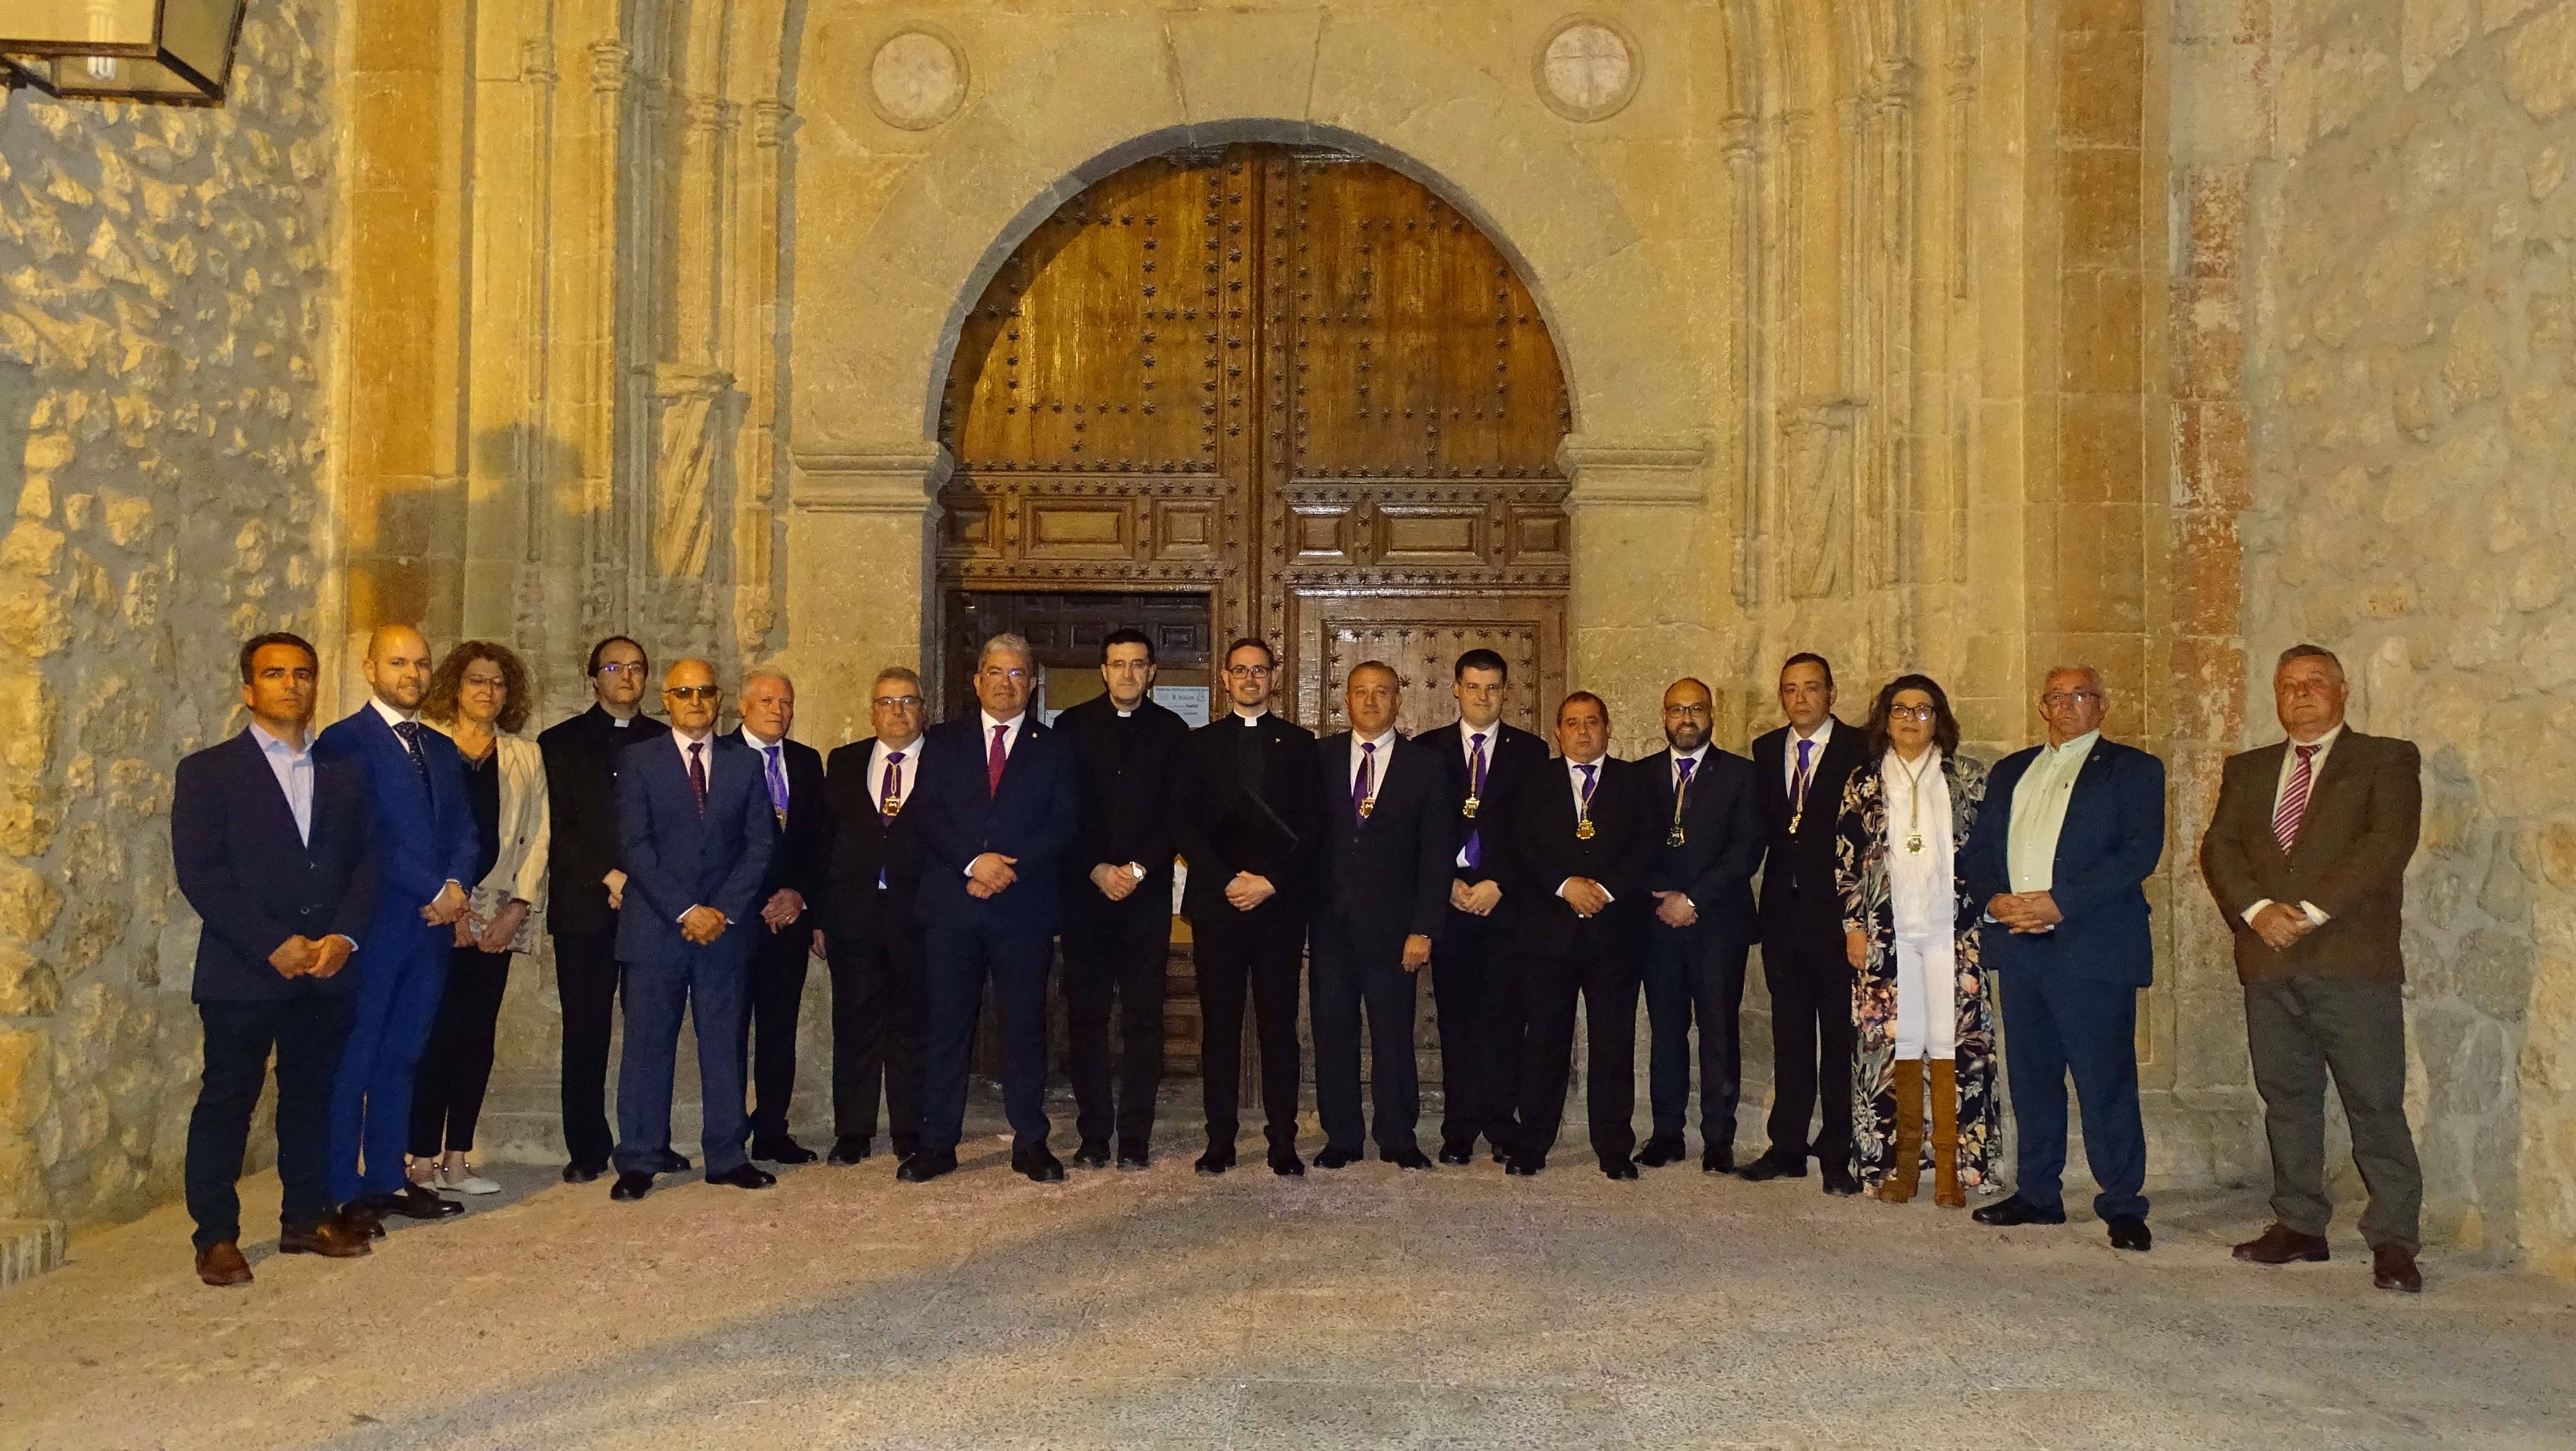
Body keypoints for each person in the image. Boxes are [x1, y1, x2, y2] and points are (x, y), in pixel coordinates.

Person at [2200, 644, 2425, 1292]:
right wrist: (2257, 909)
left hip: (2352, 961)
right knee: (2288, 1100)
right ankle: (2299, 1225)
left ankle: (2394, 1240)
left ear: (2343, 690)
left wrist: (2309, 910)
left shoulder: (2385, 759)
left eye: (2316, 683)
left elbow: (2387, 844)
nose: (2302, 694)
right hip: (2269, 960)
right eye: (2290, 685)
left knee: (2374, 1103)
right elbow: (2220, 848)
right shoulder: (2249, 769)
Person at [173, 633, 378, 1285]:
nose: (292, 684)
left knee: (311, 1098)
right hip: (243, 970)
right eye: (275, 674)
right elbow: (202, 876)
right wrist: (272, 943)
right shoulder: (208, 772)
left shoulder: (346, 772)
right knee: (228, 1101)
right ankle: (215, 1237)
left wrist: (343, 938)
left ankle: (305, 1218)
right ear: (248, 689)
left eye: (303, 674)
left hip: (325, 969)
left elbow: (369, 864)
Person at [1964, 666, 2164, 1251]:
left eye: (2081, 695)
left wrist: (2058, 903)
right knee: (2032, 1079)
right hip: (2020, 948)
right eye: (2057, 696)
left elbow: (2138, 853)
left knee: (2105, 1080)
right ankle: (2038, 1193)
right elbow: (1979, 852)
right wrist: (1996, 899)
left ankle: (2123, 1202)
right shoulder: (2011, 770)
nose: (2068, 705)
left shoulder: (2134, 769)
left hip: (2091, 947)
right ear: (2043, 707)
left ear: (2102, 706)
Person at [902, 633, 1080, 1184]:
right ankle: (938, 1143)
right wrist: (973, 864)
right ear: (977, 680)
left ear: (1033, 683)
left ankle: (1030, 1141)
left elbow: (1065, 824)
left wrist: (1006, 870)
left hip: (1022, 910)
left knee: (1025, 1028)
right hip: (953, 909)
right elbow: (926, 814)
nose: (1007, 684)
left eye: (1019, 674)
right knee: (947, 1027)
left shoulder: (1054, 748)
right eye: (996, 673)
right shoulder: (942, 741)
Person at [315, 625, 476, 1229]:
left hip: (430, 931)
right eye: (399, 662)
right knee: (354, 1059)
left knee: (404, 1056)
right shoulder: (343, 741)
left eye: (422, 663)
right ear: (370, 668)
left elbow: (465, 826)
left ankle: (387, 1177)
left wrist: (456, 887)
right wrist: (435, 889)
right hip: (375, 923)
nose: (412, 674)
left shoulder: (437, 745)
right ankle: (342, 1186)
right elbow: (365, 833)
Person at [606, 659, 779, 1201]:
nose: (696, 700)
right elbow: (636, 847)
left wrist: (721, 912)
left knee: (725, 1045)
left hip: (724, 932)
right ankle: (639, 1157)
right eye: (685, 692)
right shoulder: (638, 761)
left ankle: (728, 1155)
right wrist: (686, 910)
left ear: (720, 698)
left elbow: (760, 846)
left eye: (705, 691)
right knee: (646, 1048)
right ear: (667, 700)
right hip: (656, 929)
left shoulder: (745, 764)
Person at [1834, 674, 1999, 1209]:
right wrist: (1854, 926)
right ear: (1885, 718)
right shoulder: (1863, 781)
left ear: (1940, 719)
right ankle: (1899, 1167)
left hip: (1953, 933)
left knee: (1952, 1043)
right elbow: (1846, 862)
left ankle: (1953, 1170)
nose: (1910, 719)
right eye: (1900, 709)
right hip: (1889, 933)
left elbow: (1988, 855)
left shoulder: (1968, 778)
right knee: (1898, 1045)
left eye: (1923, 709)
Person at [1173, 638, 1321, 1176]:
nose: (1251, 679)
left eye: (1260, 670)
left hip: (1278, 908)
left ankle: (1283, 1139)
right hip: (1219, 906)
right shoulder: (1199, 744)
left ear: (1274, 678)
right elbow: (1184, 825)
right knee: (1221, 1027)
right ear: (1225, 678)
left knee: (1279, 1027)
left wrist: (1271, 882)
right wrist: (1229, 880)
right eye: (1241, 670)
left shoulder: (1301, 745)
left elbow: (1313, 827)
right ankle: (1220, 1141)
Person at [410, 641, 550, 1198]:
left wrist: (518, 907)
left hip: (499, 915)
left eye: (498, 683)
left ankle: (458, 1158)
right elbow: (417, 832)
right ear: (455, 687)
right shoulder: (426, 746)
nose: (488, 691)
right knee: (432, 1036)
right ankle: (418, 1158)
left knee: (476, 1039)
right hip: (439, 912)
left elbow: (540, 834)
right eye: (476, 681)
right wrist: (454, 911)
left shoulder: (526, 755)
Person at [1502, 692, 1657, 1178]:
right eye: (1573, 723)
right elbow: (1520, 843)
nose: (1584, 731)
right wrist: (1566, 885)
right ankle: (1533, 1143)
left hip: (1616, 934)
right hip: (1549, 933)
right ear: (1558, 732)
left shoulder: (1636, 781)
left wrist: (1606, 890)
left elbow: (1647, 846)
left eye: (1593, 722)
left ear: (1609, 728)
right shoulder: (1534, 781)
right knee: (1544, 1040)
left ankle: (1613, 1147)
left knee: (1613, 1042)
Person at [1053, 628, 1190, 1170]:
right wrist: (1097, 869)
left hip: (1145, 896)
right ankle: (1093, 1134)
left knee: (1143, 1020)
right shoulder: (1070, 728)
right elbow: (1062, 812)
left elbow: (1178, 814)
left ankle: (1134, 1134)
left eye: (1138, 665)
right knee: (1086, 1016)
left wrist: (1134, 869)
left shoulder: (1174, 731)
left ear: (1152, 672)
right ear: (1103, 671)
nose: (1128, 674)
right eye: (1118, 664)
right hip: (1086, 894)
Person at [1310, 660, 1454, 1171]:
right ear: (1345, 700)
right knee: (1333, 1033)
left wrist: (1424, 927)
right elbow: (1306, 843)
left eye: (1382, 692)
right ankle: (1342, 1136)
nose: (1370, 701)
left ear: (1399, 700)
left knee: (1394, 1037)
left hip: (1396, 932)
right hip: (1330, 927)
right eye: (1360, 692)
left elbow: (1437, 855)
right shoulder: (1319, 758)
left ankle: (1398, 1136)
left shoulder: (1426, 767)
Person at [1742, 653, 1871, 1193]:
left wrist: (1861, 918)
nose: (1800, 698)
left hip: (1838, 919)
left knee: (1840, 1038)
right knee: (1790, 1035)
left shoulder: (1860, 749)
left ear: (1832, 694)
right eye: (1790, 688)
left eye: (1811, 688)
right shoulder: (1767, 750)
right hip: (1782, 917)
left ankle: (1838, 1151)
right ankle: (1788, 1145)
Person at [536, 635, 663, 1183]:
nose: (627, 677)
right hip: (584, 908)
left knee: (650, 1028)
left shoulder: (665, 740)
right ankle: (587, 1146)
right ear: (594, 677)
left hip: (650, 907)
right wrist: (609, 875)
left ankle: (648, 1138)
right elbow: (555, 826)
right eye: (615, 667)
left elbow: (673, 826)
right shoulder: (558, 742)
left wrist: (639, 881)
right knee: (585, 1029)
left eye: (636, 668)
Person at [1424, 648, 1548, 1166]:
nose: (1483, 696)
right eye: (1473, 686)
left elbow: (1536, 833)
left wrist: (1500, 881)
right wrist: (1446, 882)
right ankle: (1458, 1129)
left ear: (1505, 691)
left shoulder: (1530, 752)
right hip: (1450, 904)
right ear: (1456, 688)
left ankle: (1500, 1122)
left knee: (1502, 1021)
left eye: (1493, 687)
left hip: (1505, 907)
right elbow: (1420, 831)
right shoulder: (1429, 750)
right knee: (1456, 1022)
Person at [1634, 678, 1764, 1173]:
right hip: (1657, 922)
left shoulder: (1740, 775)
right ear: (1663, 716)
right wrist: (1661, 896)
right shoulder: (1641, 776)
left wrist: (1693, 898)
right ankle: (1667, 1133)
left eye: (1696, 709)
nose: (1686, 718)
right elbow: (1630, 843)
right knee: (1665, 1030)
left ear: (1713, 714)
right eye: (1676, 710)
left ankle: (1718, 1138)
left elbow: (1746, 849)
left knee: (1718, 1029)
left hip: (1718, 922)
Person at [820, 668, 930, 1166]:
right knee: (855, 1023)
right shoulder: (843, 762)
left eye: (908, 701)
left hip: (921, 915)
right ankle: (854, 1131)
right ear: (872, 711)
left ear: (923, 709)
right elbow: (823, 845)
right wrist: (820, 916)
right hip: (855, 915)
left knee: (913, 1025)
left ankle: (909, 1128)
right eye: (887, 702)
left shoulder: (945, 762)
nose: (898, 711)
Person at [733, 668, 832, 1166]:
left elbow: (820, 841)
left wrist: (800, 896)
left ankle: (773, 1130)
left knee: (779, 1032)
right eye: (768, 700)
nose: (779, 710)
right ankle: (728, 1135)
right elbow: (710, 846)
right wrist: (752, 901)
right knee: (728, 1033)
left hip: (789, 923)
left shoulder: (807, 762)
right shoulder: (720, 756)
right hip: (734, 923)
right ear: (742, 706)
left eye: (787, 702)